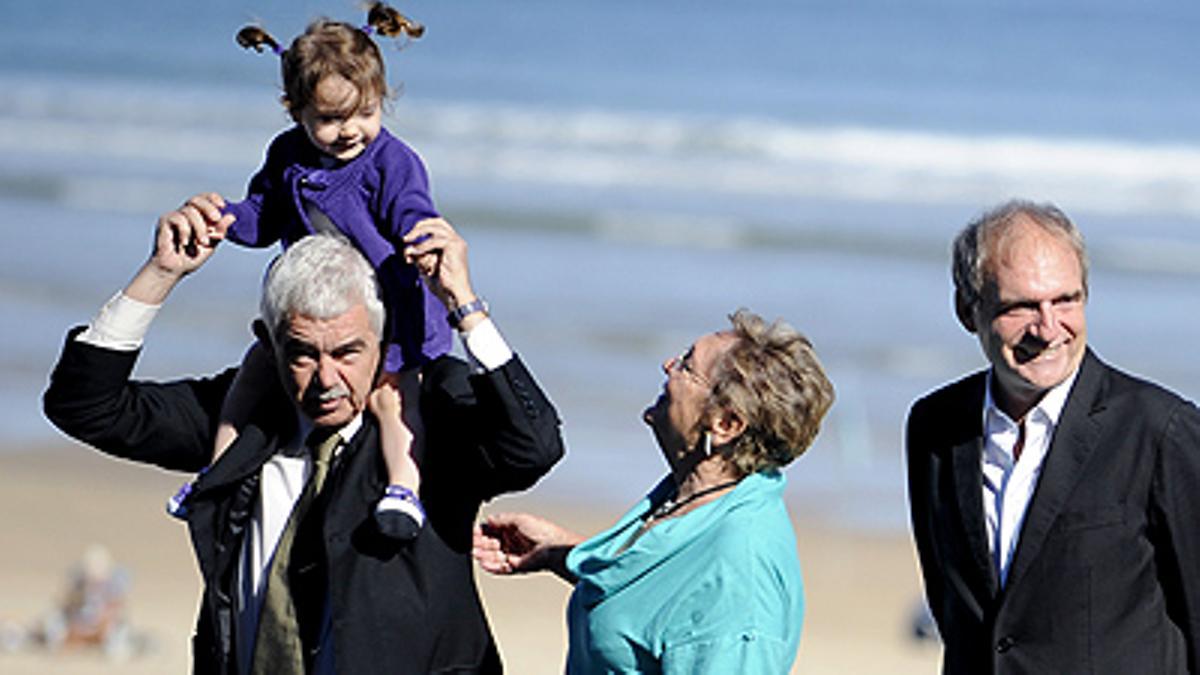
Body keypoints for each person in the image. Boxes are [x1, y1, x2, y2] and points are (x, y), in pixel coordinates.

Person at [43, 209, 564, 673]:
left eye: (347, 352)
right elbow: (85, 406)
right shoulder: (243, 415)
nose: (326, 379)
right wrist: (160, 274)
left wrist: (464, 305)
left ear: (383, 345)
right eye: (302, 354)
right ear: (267, 345)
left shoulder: (426, 417)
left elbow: (533, 445)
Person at [167, 2, 440, 520]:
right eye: (332, 119)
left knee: (392, 397)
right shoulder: (286, 154)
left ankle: (404, 489)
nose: (353, 130)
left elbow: (413, 208)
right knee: (251, 379)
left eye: (366, 111)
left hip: (388, 308)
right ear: (296, 110)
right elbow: (262, 216)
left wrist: (420, 236)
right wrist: (222, 218)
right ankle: (216, 478)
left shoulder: (391, 161)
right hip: (314, 304)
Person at [905, 199, 1200, 673]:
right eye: (1021, 306)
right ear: (967, 310)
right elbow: (953, 609)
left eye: (1066, 300)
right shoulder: (935, 427)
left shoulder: (1160, 429)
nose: (1048, 328)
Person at [473, 311, 835, 673]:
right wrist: (562, 552)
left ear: (725, 424)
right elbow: (663, 603)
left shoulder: (740, 573)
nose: (668, 366)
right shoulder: (695, 498)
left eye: (686, 366)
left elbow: (708, 603)